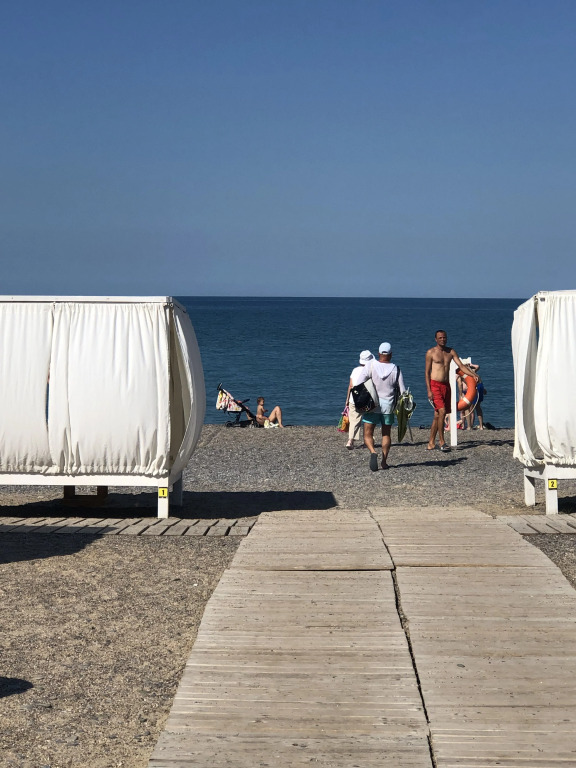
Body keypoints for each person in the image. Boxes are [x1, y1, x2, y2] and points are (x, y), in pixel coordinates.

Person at [425, 330, 478, 452]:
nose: (442, 339)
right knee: (442, 411)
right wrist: (429, 390)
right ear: (436, 339)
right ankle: (442, 442)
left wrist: (473, 374)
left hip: (446, 385)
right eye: (440, 338)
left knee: (437, 414)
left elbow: (461, 366)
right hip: (435, 385)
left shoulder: (451, 352)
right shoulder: (431, 353)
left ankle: (431, 443)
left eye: (444, 337)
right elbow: (427, 373)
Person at [360, 342, 406, 471]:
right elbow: (403, 391)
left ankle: (373, 451)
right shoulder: (396, 369)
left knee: (368, 433)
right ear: (391, 354)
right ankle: (384, 462)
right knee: (386, 434)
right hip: (388, 405)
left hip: (372, 403)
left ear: (379, 353)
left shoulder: (370, 365)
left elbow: (359, 382)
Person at [344, 350, 374, 449]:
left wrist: (347, 400)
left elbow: (350, 386)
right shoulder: (371, 371)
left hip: (354, 398)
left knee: (354, 420)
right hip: (367, 399)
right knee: (369, 420)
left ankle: (350, 440)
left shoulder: (355, 370)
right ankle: (368, 440)